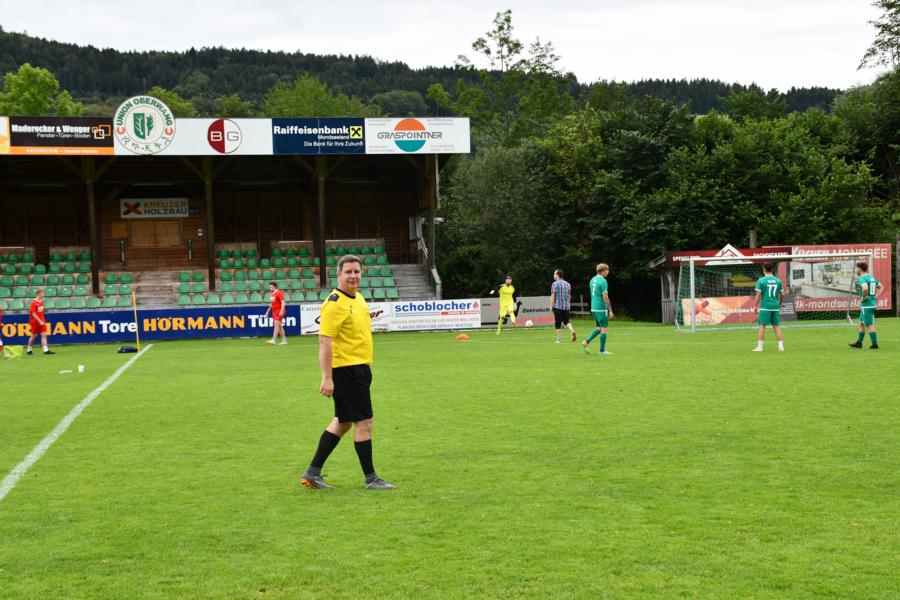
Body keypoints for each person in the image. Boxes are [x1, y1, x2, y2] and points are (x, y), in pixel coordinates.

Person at [300, 255, 395, 491]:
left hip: (360, 369)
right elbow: (324, 342)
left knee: (343, 422)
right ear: (339, 275)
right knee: (365, 422)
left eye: (357, 271)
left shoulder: (359, 298)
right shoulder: (334, 303)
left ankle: (312, 472)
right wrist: (327, 378)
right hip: (346, 371)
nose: (353, 276)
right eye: (348, 272)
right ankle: (371, 478)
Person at [849, 261, 883, 349]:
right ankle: (859, 343)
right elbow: (881, 286)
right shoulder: (870, 277)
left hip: (867, 305)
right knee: (860, 323)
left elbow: (865, 288)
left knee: (869, 325)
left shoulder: (862, 278)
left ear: (859, 269)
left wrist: (863, 298)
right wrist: (875, 296)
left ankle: (875, 344)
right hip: (870, 304)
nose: (855, 270)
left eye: (856, 268)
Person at [752, 262, 784, 352]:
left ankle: (760, 347)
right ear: (772, 269)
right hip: (775, 306)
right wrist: (780, 303)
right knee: (776, 326)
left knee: (762, 326)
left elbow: (758, 294)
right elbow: (782, 294)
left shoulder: (761, 280)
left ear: (764, 269)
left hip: (765, 306)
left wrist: (755, 306)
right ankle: (781, 347)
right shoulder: (777, 280)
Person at [583, 263, 613, 355]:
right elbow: (605, 297)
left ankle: (586, 342)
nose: (608, 272)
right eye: (607, 270)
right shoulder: (603, 281)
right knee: (604, 329)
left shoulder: (592, 279)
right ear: (602, 271)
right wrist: (610, 310)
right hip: (601, 308)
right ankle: (602, 351)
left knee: (599, 328)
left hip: (594, 308)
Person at [550, 269, 576, 343]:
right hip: (566, 306)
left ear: (557, 275)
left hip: (557, 306)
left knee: (557, 323)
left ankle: (559, 339)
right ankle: (572, 330)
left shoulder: (554, 284)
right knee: (566, 321)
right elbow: (569, 296)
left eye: (554, 274)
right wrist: (568, 304)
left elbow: (553, 295)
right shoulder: (568, 284)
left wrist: (551, 305)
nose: (553, 275)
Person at [27, 288, 54, 355]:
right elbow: (33, 313)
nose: (43, 294)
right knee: (34, 336)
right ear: (38, 294)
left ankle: (45, 350)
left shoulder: (41, 301)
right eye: (42, 293)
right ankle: (29, 349)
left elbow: (41, 311)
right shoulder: (34, 302)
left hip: (42, 320)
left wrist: (42, 320)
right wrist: (39, 321)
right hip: (35, 322)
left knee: (44, 334)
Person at [264, 281, 287, 345]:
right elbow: (271, 304)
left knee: (276, 324)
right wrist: (267, 311)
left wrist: (282, 311)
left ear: (274, 287)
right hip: (274, 311)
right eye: (269, 287)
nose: (270, 288)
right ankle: (284, 341)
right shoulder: (272, 294)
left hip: (279, 310)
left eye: (271, 287)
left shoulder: (279, 292)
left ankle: (274, 340)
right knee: (279, 326)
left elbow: (283, 303)